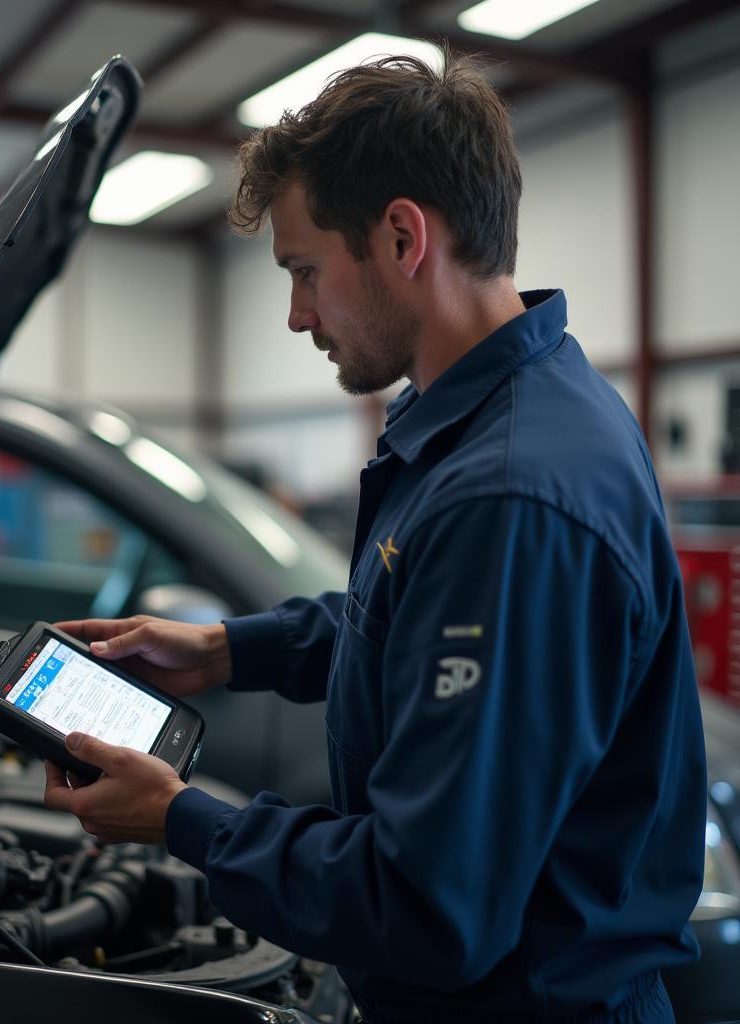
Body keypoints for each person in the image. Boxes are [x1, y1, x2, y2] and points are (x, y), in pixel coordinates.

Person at [42, 53, 706, 1022]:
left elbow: (428, 905)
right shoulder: (502, 415)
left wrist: (183, 819)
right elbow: (406, 614)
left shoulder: (508, 496)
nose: (296, 313)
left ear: (402, 237)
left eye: (305, 271)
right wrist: (230, 649)